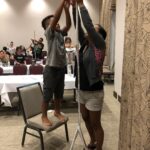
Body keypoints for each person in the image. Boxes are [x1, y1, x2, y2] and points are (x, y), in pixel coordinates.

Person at [72, 0, 107, 150]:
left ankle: (98, 147)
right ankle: (92, 141)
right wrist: (73, 7)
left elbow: (87, 25)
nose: (90, 31)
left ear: (99, 35)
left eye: (94, 29)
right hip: (81, 90)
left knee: (95, 123)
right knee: (85, 118)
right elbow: (78, 25)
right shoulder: (85, 44)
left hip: (94, 91)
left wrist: (81, 5)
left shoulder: (99, 45)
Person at [41, 0, 71, 126]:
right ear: (48, 25)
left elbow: (68, 25)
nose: (57, 22)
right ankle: (43, 116)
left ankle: (57, 112)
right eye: (53, 21)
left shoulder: (60, 34)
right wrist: (63, 2)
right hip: (51, 69)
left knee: (59, 93)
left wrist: (66, 9)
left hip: (60, 68)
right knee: (48, 94)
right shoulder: (49, 33)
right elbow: (55, 20)